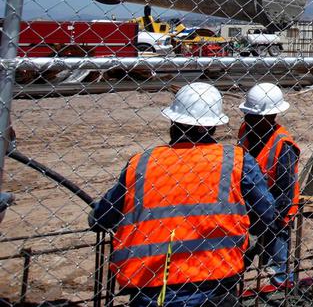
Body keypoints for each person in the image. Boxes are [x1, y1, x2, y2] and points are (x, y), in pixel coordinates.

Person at [90, 82, 278, 307]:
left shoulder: (142, 162)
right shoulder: (235, 160)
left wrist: (96, 216)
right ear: (213, 126)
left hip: (152, 282)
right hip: (217, 276)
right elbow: (267, 213)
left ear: (173, 122)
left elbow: (103, 218)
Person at [237, 83, 299, 285]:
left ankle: (281, 286)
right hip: (249, 206)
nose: (247, 118)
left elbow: (285, 190)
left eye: (253, 116)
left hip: (278, 210)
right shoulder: (245, 130)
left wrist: (272, 220)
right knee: (241, 260)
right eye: (247, 114)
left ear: (271, 117)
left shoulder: (283, 145)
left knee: (276, 263)